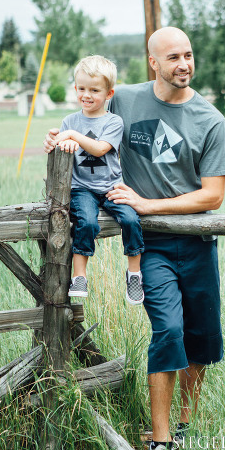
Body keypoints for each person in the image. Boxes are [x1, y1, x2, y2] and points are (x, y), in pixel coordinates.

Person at [44, 28, 225, 450]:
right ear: (153, 63)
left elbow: (213, 195)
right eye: (173, 57)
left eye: (188, 55)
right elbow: (85, 115)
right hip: (152, 247)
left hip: (198, 242)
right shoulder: (125, 100)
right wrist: (59, 139)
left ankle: (186, 422)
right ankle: (161, 440)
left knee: (200, 339)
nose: (183, 64)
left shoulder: (210, 120)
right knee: (167, 330)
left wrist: (147, 204)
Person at [45, 55, 145, 306]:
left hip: (112, 186)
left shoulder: (113, 121)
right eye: (81, 89)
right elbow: (63, 144)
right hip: (82, 189)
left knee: (131, 219)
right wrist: (61, 141)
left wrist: (73, 136)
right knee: (86, 222)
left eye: (94, 90)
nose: (86, 95)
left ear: (109, 93)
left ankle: (134, 273)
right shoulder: (70, 121)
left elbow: (100, 149)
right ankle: (80, 276)